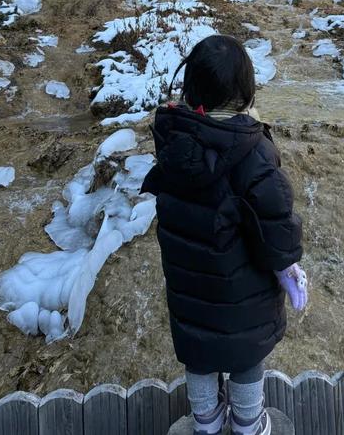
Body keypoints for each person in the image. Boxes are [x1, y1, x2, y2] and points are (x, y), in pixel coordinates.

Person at [141, 34, 307, 435]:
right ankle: (249, 423)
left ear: (191, 86)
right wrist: (287, 269)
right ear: (246, 92)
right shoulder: (253, 152)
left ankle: (207, 421)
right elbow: (276, 223)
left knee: (199, 353)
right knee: (245, 356)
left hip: (189, 287)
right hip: (242, 293)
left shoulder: (172, 141)